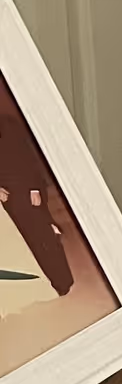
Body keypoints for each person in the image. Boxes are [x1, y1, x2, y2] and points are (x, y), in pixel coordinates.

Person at [0, 92, 75, 295]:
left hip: (28, 189)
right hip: (8, 197)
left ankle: (63, 280)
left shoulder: (10, 125)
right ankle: (52, 282)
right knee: (30, 240)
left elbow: (28, 159)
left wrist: (34, 188)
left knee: (46, 237)